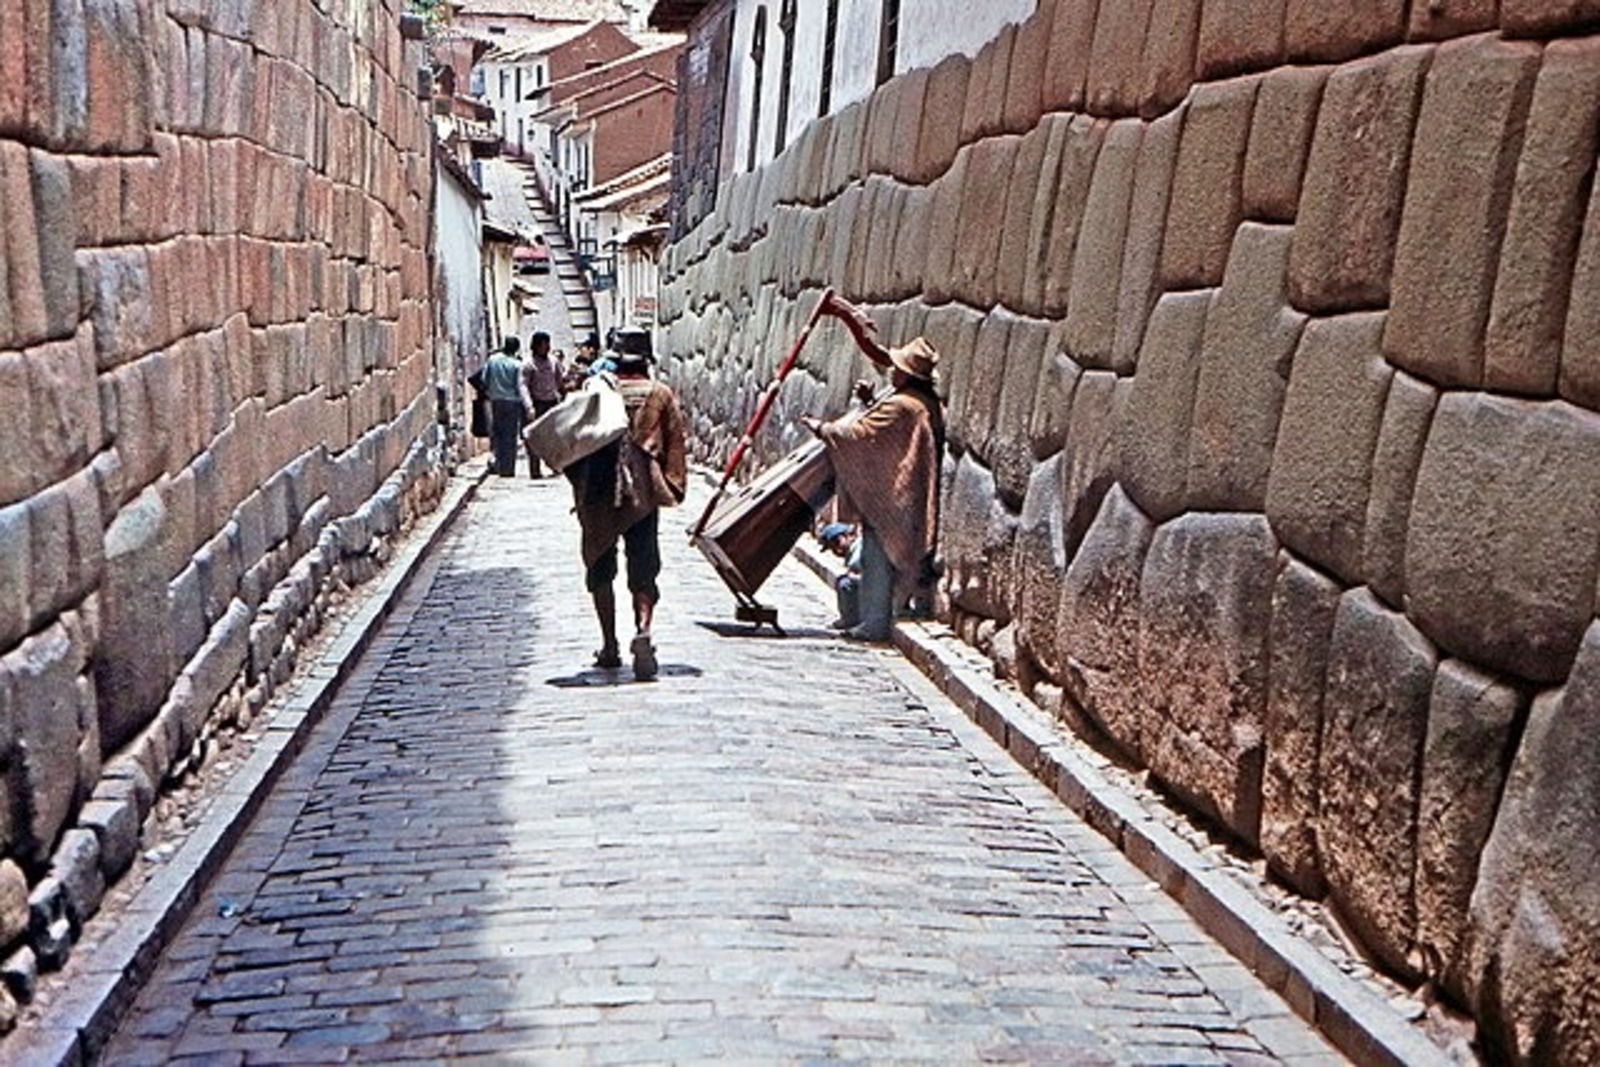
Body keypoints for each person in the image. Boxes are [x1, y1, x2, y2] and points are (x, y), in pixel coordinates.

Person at [802, 337, 945, 642]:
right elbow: (884, 435)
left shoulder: (902, 405)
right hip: (908, 496)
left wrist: (822, 429)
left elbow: (861, 434)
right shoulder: (923, 403)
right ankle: (874, 615)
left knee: (876, 559)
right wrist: (870, 402)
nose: (892, 372)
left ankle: (874, 622)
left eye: (897, 368)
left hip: (892, 498)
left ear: (906, 374)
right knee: (875, 558)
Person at [564, 346, 687, 679]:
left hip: (599, 492)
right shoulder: (660, 395)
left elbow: (572, 441)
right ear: (645, 363)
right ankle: (643, 629)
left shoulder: (597, 391)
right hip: (642, 495)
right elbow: (675, 443)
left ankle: (609, 644)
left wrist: (579, 487)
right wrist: (671, 485)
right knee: (644, 565)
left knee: (599, 564)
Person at [473, 336, 532, 477]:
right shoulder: (517, 365)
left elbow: (484, 379)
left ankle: (498, 463)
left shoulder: (493, 360)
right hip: (513, 402)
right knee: (510, 435)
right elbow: (520, 385)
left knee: (497, 433)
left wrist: (490, 391)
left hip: (496, 401)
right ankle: (508, 468)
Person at [520, 332, 566, 478]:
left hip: (551, 403)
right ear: (535, 346)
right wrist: (529, 406)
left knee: (553, 437)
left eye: (548, 344)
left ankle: (556, 466)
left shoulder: (554, 362)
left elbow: (560, 381)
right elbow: (523, 386)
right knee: (534, 438)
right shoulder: (528, 364)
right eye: (543, 345)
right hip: (536, 404)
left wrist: (564, 398)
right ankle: (535, 469)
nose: (546, 348)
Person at [818, 521, 862, 630]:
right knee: (842, 580)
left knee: (845, 584)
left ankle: (851, 620)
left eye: (836, 543)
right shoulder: (853, 551)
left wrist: (853, 576)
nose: (836, 551)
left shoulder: (858, 550)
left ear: (845, 537)